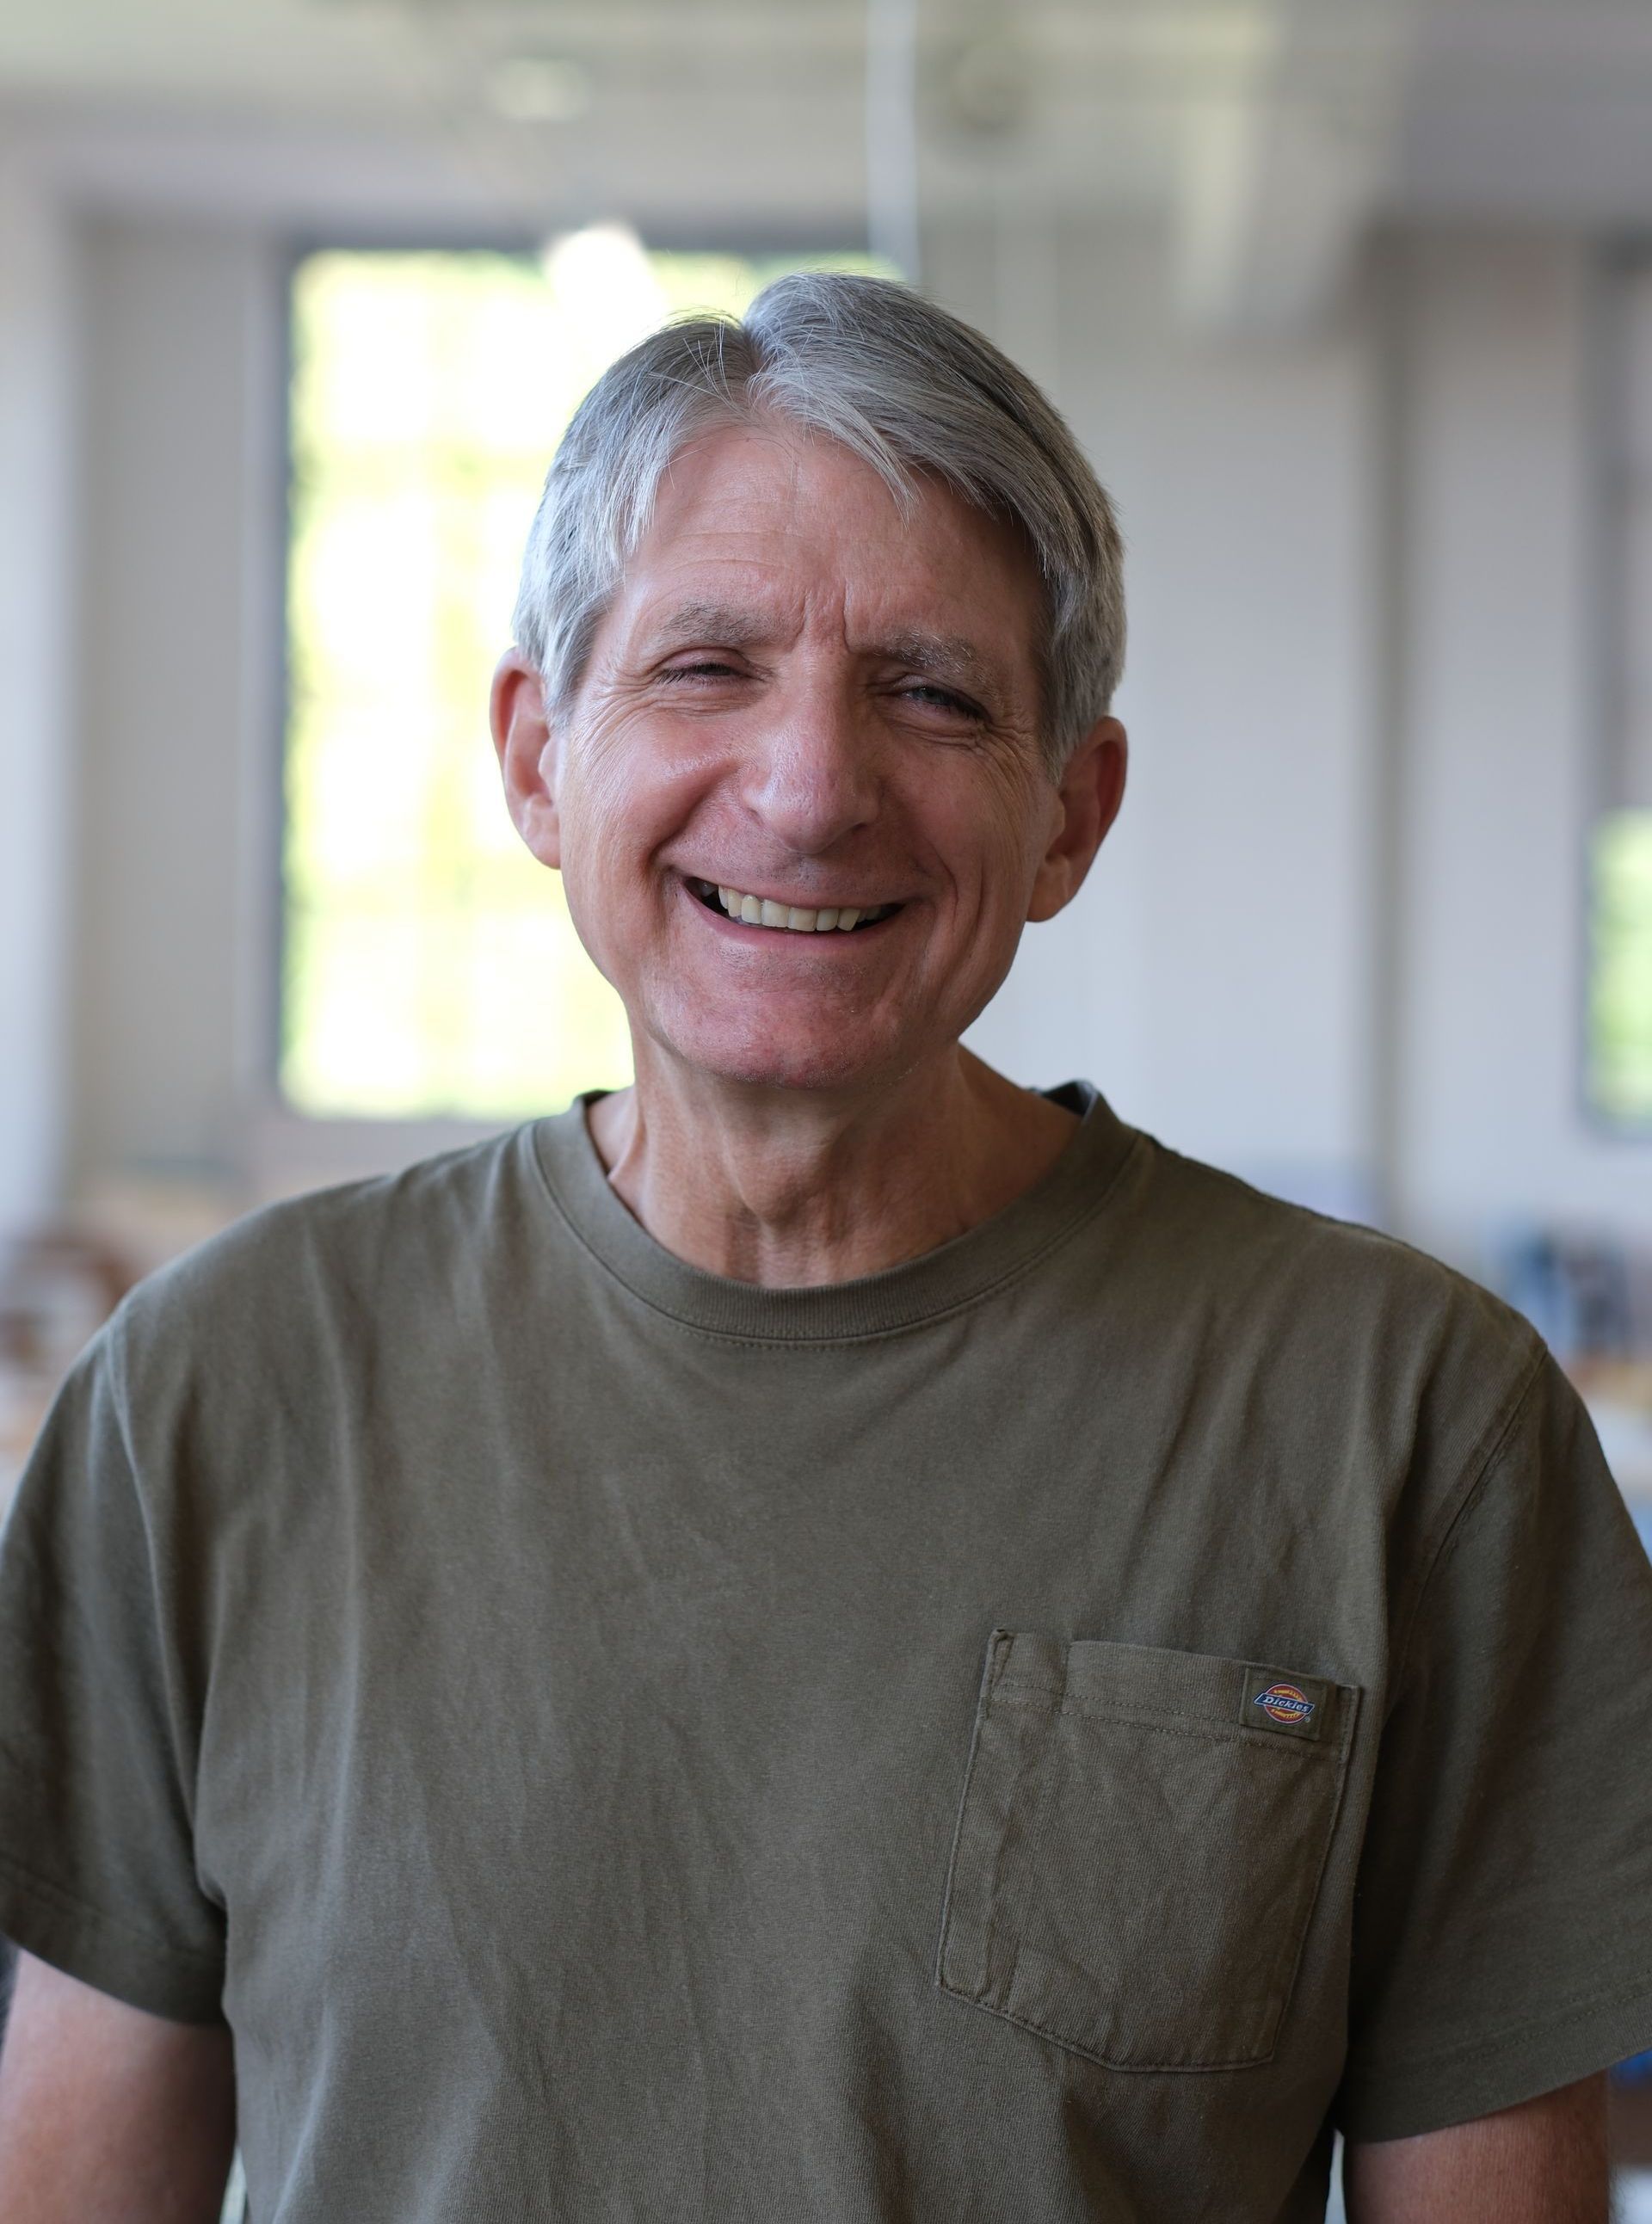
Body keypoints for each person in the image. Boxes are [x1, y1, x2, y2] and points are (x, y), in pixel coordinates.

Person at [0, 272, 1649, 2224]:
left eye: (931, 691)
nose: (805, 790)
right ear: (538, 756)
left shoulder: (1409, 1430)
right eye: (705, 667)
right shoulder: (216, 1398)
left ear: (1070, 815)